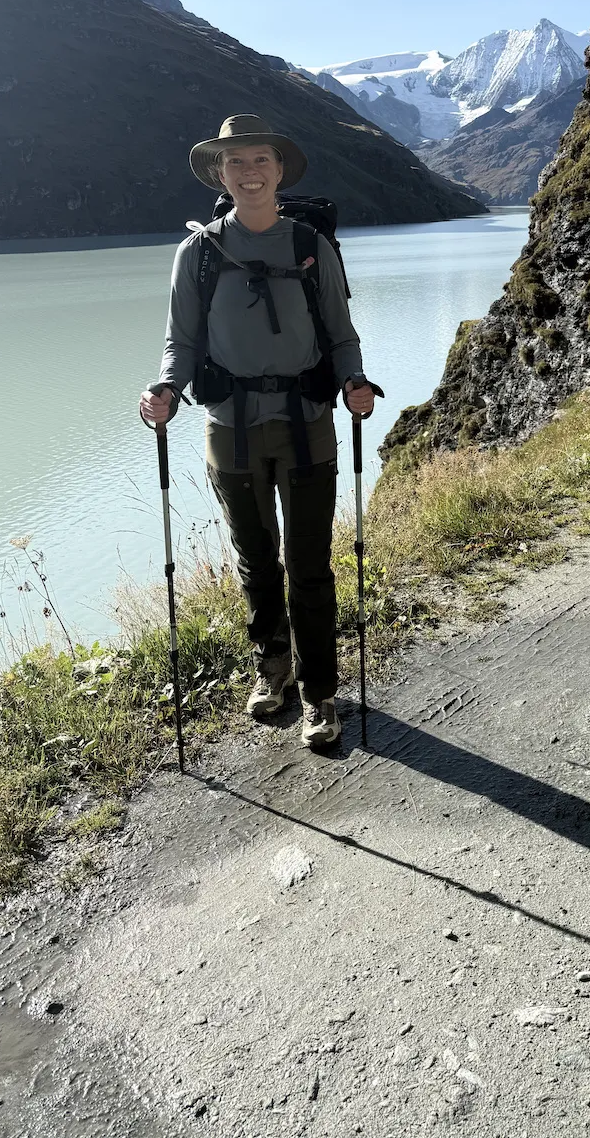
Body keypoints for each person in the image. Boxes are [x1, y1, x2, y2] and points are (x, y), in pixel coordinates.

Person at [139, 115, 375, 748]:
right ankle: (274, 674)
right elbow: (181, 341)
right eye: (234, 162)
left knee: (310, 564)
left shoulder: (309, 245)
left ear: (279, 169)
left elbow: (340, 332)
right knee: (256, 563)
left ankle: (321, 695)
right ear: (220, 173)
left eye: (259, 160)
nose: (247, 172)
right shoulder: (198, 253)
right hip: (230, 428)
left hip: (307, 425)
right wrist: (165, 388)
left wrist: (354, 381)